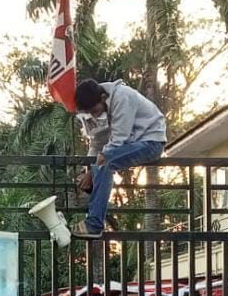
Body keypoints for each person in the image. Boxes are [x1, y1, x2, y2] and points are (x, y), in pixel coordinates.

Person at [70, 78, 167, 239]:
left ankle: (94, 225)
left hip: (152, 143)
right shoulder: (103, 105)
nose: (95, 115)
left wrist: (91, 174)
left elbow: (118, 140)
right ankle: (93, 221)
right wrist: (87, 170)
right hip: (134, 144)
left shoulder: (122, 97)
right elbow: (97, 142)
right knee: (104, 161)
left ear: (102, 98)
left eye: (95, 111)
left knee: (106, 161)